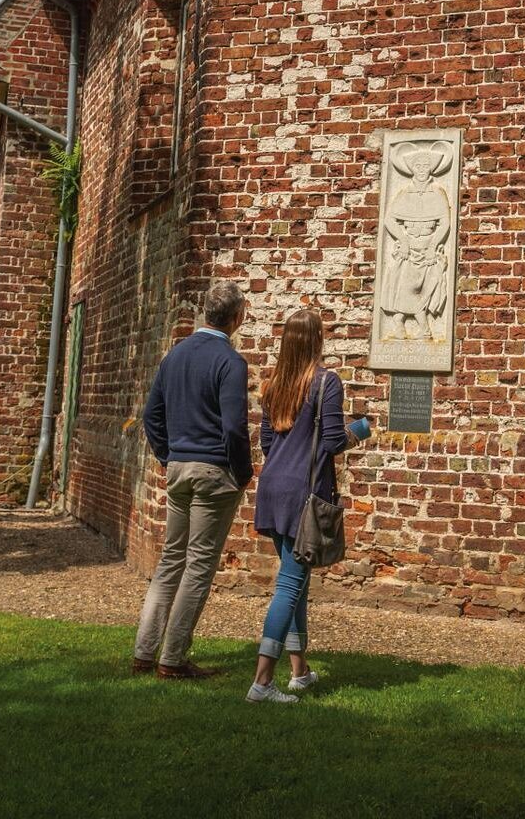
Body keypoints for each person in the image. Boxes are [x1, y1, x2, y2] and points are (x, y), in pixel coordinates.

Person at [247, 308, 370, 704]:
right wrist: (360, 431)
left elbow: (267, 443)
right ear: (317, 340)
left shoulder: (274, 384)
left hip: (273, 489)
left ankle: (299, 672)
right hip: (304, 493)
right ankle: (262, 683)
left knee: (295, 580)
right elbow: (333, 440)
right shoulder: (326, 382)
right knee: (289, 584)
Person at [133, 282, 253, 679]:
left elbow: (151, 416)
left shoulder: (176, 355)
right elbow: (234, 426)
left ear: (206, 312)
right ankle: (172, 659)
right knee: (199, 565)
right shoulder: (230, 362)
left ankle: (144, 652)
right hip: (214, 471)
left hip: (179, 467)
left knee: (171, 560)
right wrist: (243, 472)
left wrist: (169, 456)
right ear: (237, 317)